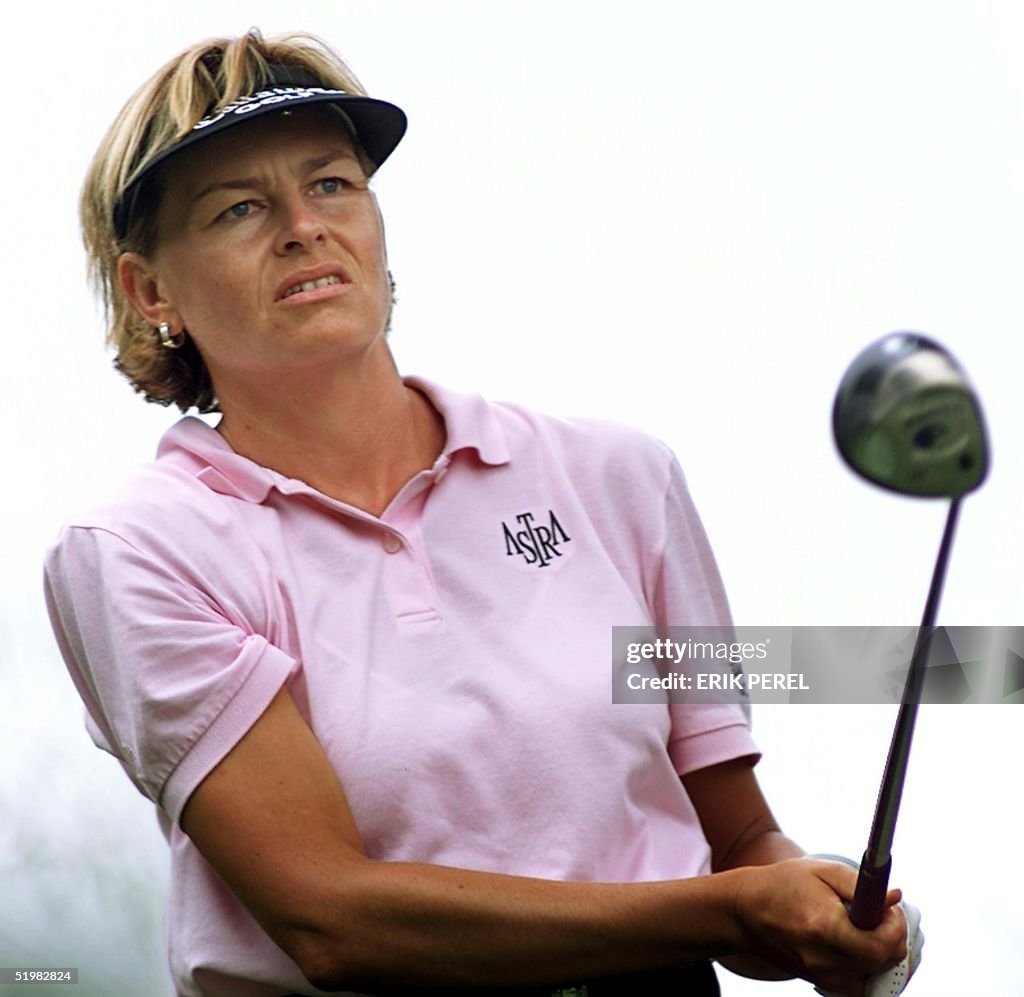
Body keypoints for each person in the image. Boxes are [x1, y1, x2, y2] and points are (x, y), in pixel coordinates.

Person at [44, 29, 921, 997]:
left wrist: (820, 919)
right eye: (239, 207)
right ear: (149, 290)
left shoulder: (618, 476)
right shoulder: (135, 549)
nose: (303, 226)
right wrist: (730, 910)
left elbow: (737, 838)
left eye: (331, 184)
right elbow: (331, 916)